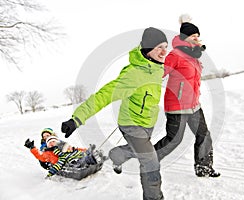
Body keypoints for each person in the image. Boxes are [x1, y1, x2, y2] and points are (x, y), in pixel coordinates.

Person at [60, 27, 168, 200]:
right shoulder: (134, 74)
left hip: (148, 122)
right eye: (159, 47)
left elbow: (180, 57)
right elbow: (105, 95)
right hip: (132, 124)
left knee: (137, 151)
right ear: (148, 49)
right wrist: (77, 118)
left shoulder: (157, 68)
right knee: (150, 160)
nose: (164, 51)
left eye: (166, 46)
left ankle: (115, 156)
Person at [154, 14, 220, 177]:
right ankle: (149, 159)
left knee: (204, 136)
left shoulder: (194, 56)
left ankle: (204, 167)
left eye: (198, 35)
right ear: (186, 38)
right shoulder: (175, 55)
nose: (197, 38)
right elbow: (159, 73)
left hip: (193, 105)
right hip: (177, 105)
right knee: (174, 139)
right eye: (194, 36)